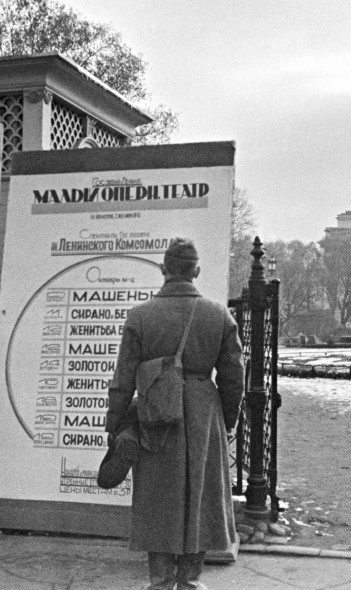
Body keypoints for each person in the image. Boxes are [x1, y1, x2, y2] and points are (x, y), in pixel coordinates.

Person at [105, 238, 244, 590]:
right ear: (196, 271)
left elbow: (123, 379)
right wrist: (227, 419)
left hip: (155, 412)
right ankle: (190, 581)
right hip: (203, 412)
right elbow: (233, 377)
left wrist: (115, 422)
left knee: (158, 496)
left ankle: (161, 581)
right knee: (201, 495)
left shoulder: (140, 316)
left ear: (164, 269)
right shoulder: (219, 315)